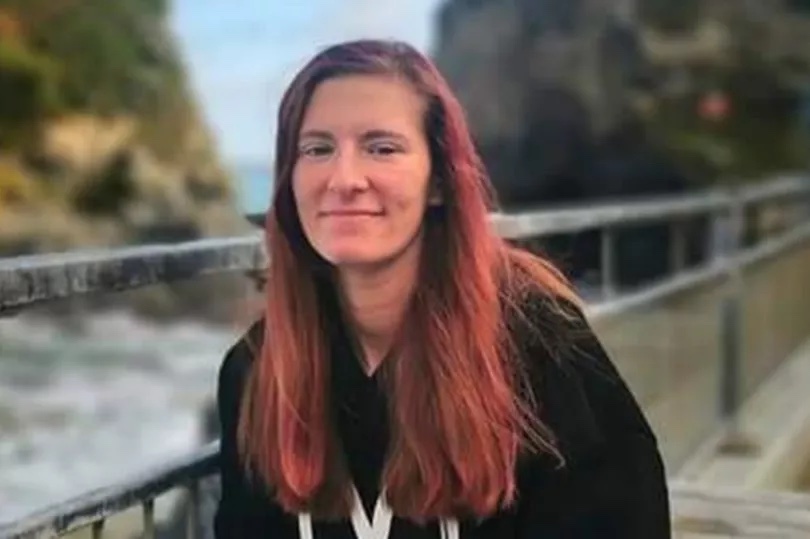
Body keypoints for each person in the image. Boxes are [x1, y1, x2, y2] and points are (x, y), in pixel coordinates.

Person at [214, 39, 671, 538]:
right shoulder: (259, 369)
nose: (344, 178)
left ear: (438, 181)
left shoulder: (535, 341)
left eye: (381, 148)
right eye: (317, 148)